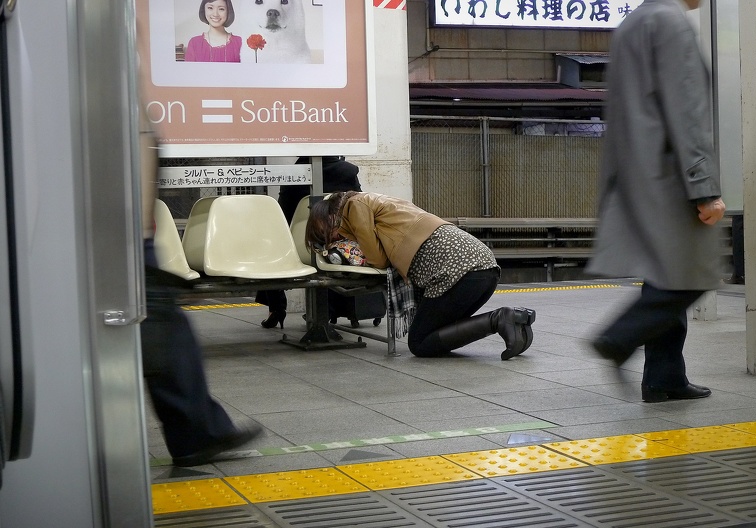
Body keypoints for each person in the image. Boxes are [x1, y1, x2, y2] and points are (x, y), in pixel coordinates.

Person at [585, 0, 727, 403]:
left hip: (637, 173)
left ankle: (665, 377)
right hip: (672, 176)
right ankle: (617, 339)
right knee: (691, 279)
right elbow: (687, 112)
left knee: (666, 276)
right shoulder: (670, 22)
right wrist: (704, 187)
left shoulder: (634, 22)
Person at [138, 99, 261, 467]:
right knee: (167, 335)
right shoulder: (111, 86)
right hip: (126, 237)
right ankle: (196, 434)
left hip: (130, 236)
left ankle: (196, 433)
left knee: (166, 334)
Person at [304, 191, 537, 360]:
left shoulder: (354, 206)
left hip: (457, 270)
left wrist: (351, 247)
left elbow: (378, 259)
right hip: (481, 264)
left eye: (327, 233)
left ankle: (500, 319)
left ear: (328, 217)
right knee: (437, 332)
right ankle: (516, 322)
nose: (333, 239)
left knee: (419, 343)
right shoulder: (379, 201)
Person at [256, 156, 363, 329]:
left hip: (304, 244)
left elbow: (283, 215)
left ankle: (276, 308)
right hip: (338, 245)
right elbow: (357, 205)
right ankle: (332, 310)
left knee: (270, 247)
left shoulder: (295, 173)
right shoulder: (348, 171)